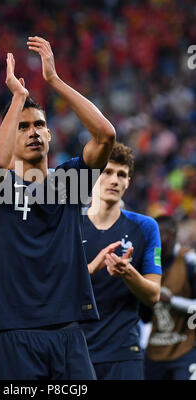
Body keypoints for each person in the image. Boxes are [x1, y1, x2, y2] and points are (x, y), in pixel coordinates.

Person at [0, 36, 116, 380]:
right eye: (23, 127)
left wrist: (54, 80)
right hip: (15, 331)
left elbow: (105, 136)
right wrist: (18, 98)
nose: (32, 132)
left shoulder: (68, 182)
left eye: (39, 125)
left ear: (50, 135)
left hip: (69, 329)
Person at [81, 142, 162, 380]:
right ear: (93, 176)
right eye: (107, 172)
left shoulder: (146, 227)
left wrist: (128, 273)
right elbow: (54, 286)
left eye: (122, 174)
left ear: (128, 182)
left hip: (123, 352)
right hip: (75, 351)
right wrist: (90, 269)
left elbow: (153, 295)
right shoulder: (69, 225)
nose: (114, 180)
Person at [142, 215, 196, 380]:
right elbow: (144, 317)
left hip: (184, 349)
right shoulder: (148, 263)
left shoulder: (189, 261)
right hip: (154, 350)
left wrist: (171, 301)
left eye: (159, 235)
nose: (154, 241)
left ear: (172, 235)